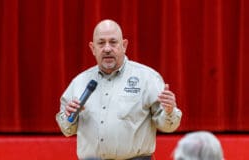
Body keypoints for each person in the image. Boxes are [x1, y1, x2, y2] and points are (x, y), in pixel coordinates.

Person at [56, 19, 182, 160]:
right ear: (93, 48)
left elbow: (168, 126)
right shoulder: (79, 82)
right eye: (101, 43)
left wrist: (169, 111)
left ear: (124, 45)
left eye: (113, 42)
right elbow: (67, 129)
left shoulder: (147, 78)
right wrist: (70, 117)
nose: (107, 48)